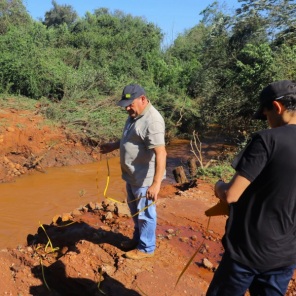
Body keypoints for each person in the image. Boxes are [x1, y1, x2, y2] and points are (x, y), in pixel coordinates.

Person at [206, 80, 296, 296]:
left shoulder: (266, 140)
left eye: (265, 115)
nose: (267, 121)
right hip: (286, 253)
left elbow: (231, 195)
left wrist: (219, 186)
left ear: (277, 107)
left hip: (248, 250)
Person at [100, 84, 167, 260]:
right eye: (126, 104)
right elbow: (131, 139)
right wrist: (114, 146)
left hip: (145, 179)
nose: (127, 108)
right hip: (132, 175)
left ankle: (146, 248)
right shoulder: (135, 115)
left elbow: (161, 153)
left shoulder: (153, 120)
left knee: (145, 214)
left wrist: (156, 184)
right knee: (136, 212)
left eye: (130, 104)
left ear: (143, 99)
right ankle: (138, 240)